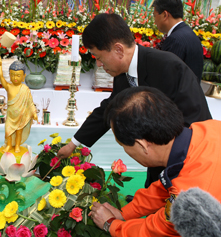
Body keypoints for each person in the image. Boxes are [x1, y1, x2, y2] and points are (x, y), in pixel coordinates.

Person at [90, 86, 221, 236]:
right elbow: (169, 182)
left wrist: (110, 225)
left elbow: (158, 231)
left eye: (122, 144)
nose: (124, 150)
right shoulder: (206, 130)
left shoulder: (197, 193)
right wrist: (125, 213)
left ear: (142, 145)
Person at [57, 13, 211, 188]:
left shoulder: (168, 67)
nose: (99, 65)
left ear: (119, 50)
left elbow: (196, 121)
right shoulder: (123, 74)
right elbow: (110, 109)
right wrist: (73, 144)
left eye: (99, 57)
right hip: (157, 164)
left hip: (186, 165)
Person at [152, 0, 203, 81]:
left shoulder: (175, 39)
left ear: (165, 15)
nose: (154, 21)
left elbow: (168, 77)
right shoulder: (188, 33)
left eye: (155, 16)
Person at [0, 58, 37, 153]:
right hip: (10, 116)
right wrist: (0, 66)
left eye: (18, 75)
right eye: (13, 75)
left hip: (20, 116)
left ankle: (17, 146)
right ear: (9, 75)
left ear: (23, 76)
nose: (15, 78)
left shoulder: (25, 89)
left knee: (19, 132)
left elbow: (30, 103)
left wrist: (34, 113)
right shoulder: (9, 86)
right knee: (8, 132)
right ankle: (9, 145)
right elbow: (1, 77)